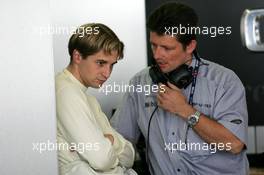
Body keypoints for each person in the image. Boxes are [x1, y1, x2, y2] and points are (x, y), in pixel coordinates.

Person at [111, 2, 249, 175]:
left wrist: (186, 111)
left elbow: (234, 145)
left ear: (190, 46)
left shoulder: (224, 82)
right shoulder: (140, 83)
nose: (157, 55)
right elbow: (120, 141)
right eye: (154, 45)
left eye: (167, 48)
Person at [55, 23, 137, 175]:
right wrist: (112, 145)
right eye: (101, 63)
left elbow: (130, 156)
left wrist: (111, 141)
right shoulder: (65, 91)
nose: (107, 73)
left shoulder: (88, 98)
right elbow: (101, 159)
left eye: (112, 65)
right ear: (77, 56)